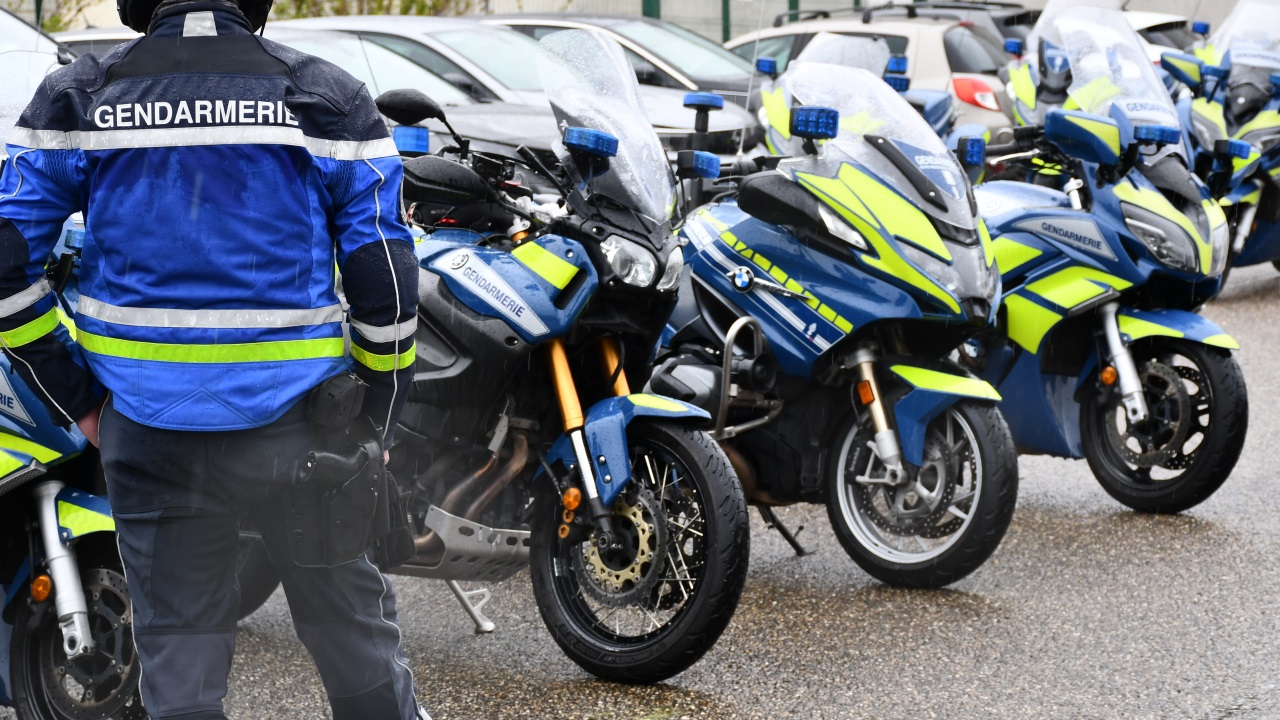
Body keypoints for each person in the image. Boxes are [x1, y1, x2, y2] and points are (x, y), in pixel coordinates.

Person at [0, 0, 428, 716]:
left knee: (183, 670)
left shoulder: (81, 95)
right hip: (306, 438)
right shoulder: (326, 98)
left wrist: (79, 399)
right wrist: (375, 421)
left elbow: (7, 264)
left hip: (146, 430)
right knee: (355, 648)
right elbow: (386, 283)